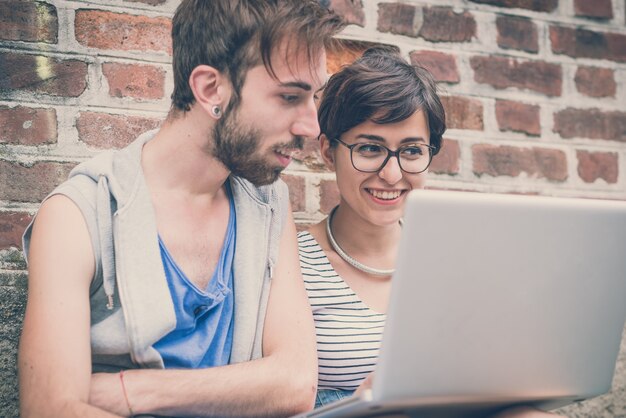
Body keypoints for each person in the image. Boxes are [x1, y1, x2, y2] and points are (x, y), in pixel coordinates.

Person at [18, 1, 344, 417]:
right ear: (210, 89)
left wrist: (130, 390)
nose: (311, 127)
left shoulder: (268, 204)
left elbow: (295, 383)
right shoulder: (78, 215)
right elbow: (50, 410)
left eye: (314, 97)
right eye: (290, 97)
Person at [299, 46, 561, 417]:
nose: (392, 175)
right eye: (370, 148)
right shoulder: (295, 265)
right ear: (328, 151)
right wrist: (358, 404)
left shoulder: (453, 257)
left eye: (411, 151)